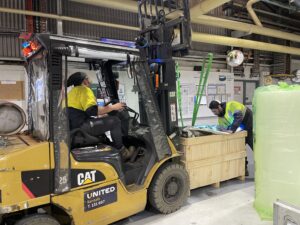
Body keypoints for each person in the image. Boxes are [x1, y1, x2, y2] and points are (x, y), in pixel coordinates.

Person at [67, 72, 134, 160]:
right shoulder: (84, 90)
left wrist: (104, 115)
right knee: (115, 121)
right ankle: (122, 152)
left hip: (75, 126)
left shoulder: (71, 93)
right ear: (84, 81)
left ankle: (111, 149)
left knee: (104, 124)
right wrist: (114, 107)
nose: (89, 81)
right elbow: (92, 110)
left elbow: (81, 112)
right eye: (87, 78)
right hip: (82, 126)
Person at [209, 100, 253, 175]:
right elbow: (224, 128)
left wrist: (232, 129)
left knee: (251, 142)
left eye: (215, 111)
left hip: (247, 120)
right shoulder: (220, 118)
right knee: (240, 146)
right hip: (239, 127)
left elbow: (238, 117)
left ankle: (262, 165)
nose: (214, 113)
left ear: (219, 107)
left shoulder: (231, 105)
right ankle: (243, 169)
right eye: (213, 112)